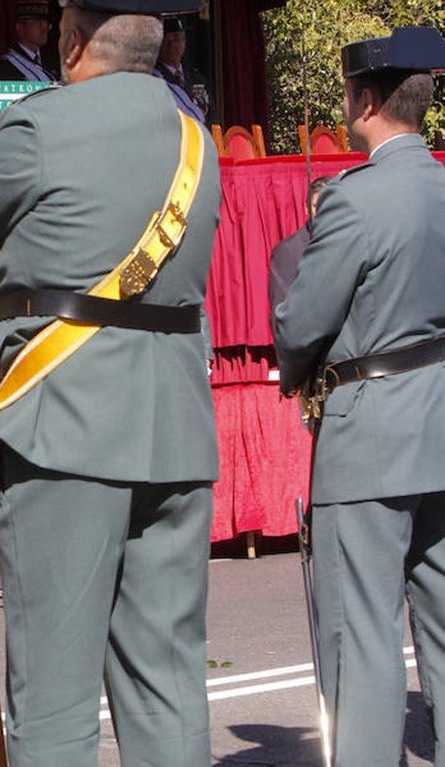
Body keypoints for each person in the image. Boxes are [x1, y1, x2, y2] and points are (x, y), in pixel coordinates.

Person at [0, 1, 221, 764]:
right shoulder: (197, 141)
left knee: (53, 696)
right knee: (168, 686)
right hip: (175, 428)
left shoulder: (43, 127)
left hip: (67, 426)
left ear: (72, 44)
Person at [273, 27, 445, 765]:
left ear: (366, 101)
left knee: (362, 637)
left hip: (370, 430)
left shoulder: (354, 199)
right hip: (440, 420)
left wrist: (294, 366)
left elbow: (302, 320)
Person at [268, 175, 330, 310]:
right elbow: (282, 310)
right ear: (306, 208)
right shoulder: (288, 251)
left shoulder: (348, 243)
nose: (322, 212)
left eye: (327, 206)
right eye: (316, 206)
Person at [153, 15, 211, 123]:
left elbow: (211, 112)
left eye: (176, 39)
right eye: (165, 41)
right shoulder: (155, 78)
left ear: (184, 42)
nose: (172, 45)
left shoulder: (196, 77)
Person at [0, 0, 58, 83]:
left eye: (45, 22)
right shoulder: (3, 67)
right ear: (20, 27)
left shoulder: (53, 61)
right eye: (36, 22)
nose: (44, 27)